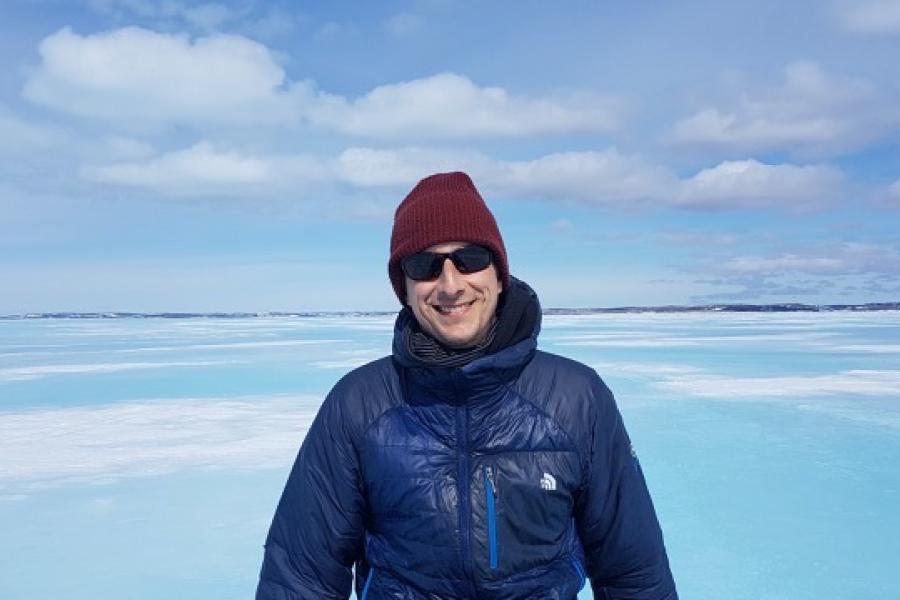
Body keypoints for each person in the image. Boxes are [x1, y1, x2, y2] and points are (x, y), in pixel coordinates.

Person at [256, 172, 677, 599]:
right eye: (425, 265)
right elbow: (301, 577)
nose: (451, 284)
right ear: (405, 287)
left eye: (470, 258)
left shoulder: (577, 399)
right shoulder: (359, 404)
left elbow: (633, 573)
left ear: (499, 275)